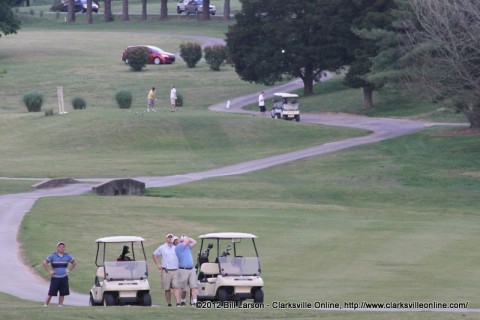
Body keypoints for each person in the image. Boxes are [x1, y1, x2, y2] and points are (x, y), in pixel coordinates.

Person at [43, 242, 77, 307]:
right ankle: (45, 305)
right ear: (57, 248)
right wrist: (49, 270)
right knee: (51, 292)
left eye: (63, 247)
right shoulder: (52, 255)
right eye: (60, 247)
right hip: (55, 277)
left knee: (62, 292)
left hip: (64, 277)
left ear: (64, 248)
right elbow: (45, 262)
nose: (61, 248)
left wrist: (69, 270)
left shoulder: (67, 255)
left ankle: (60, 305)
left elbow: (74, 262)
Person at [152, 233, 180, 307]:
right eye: (169, 237)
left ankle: (178, 303)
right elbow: (154, 254)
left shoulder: (176, 247)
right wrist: (158, 264)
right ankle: (169, 303)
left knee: (176, 287)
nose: (170, 238)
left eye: (171, 237)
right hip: (166, 270)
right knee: (167, 288)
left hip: (175, 270)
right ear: (166, 239)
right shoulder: (162, 247)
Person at [175, 235, 198, 306]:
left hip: (191, 269)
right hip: (183, 270)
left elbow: (194, 242)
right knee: (184, 289)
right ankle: (183, 300)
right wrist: (185, 238)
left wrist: (186, 237)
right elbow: (187, 241)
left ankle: (195, 302)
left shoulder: (186, 246)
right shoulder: (178, 247)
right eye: (177, 240)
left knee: (194, 286)